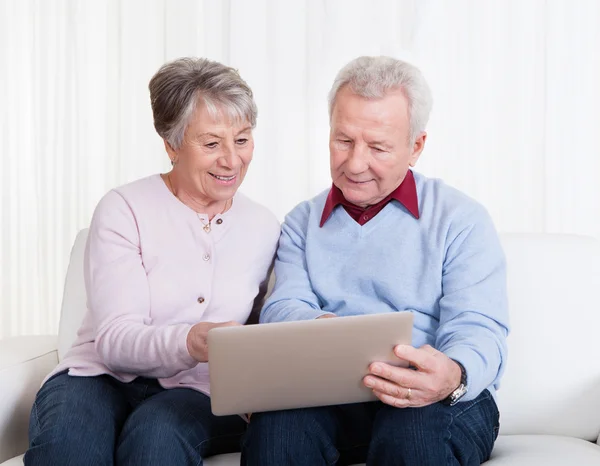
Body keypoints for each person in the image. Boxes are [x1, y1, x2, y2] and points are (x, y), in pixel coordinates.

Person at [242, 56, 509, 466]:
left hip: (436, 398)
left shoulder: (460, 219)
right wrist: (328, 334)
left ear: (415, 146)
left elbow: (479, 328)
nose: (354, 164)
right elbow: (282, 307)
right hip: (331, 394)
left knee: (413, 438)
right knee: (277, 434)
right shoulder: (301, 222)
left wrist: (452, 374)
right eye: (343, 141)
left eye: (378, 147)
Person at [24, 57, 280, 466]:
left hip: (197, 391)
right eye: (211, 144)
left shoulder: (265, 227)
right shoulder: (124, 208)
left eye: (243, 139)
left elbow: (264, 333)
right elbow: (114, 341)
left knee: (156, 441)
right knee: (68, 449)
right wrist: (191, 340)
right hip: (99, 376)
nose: (232, 160)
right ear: (171, 144)